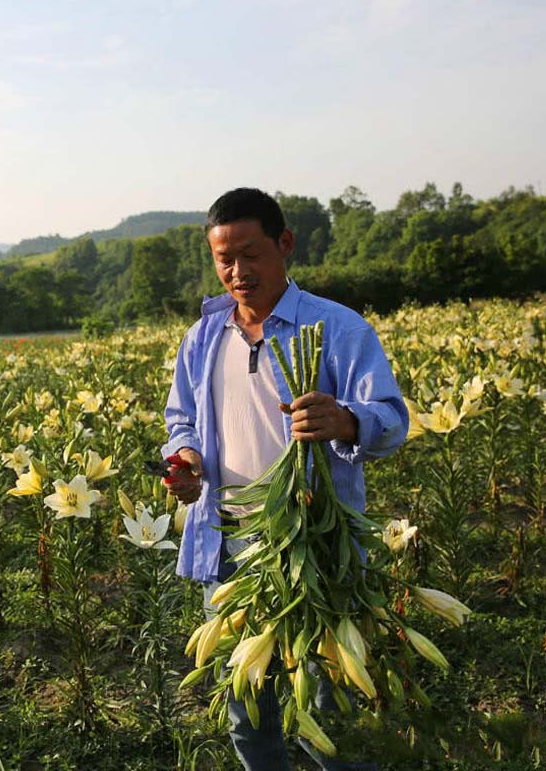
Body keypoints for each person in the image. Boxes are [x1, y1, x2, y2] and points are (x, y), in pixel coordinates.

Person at [161, 187, 409, 771]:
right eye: (224, 258)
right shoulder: (203, 337)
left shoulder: (339, 329)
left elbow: (393, 421)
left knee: (330, 711)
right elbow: (180, 421)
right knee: (249, 711)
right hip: (230, 548)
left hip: (316, 545)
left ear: (285, 245)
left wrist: (347, 420)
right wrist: (187, 460)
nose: (237, 272)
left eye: (251, 253)